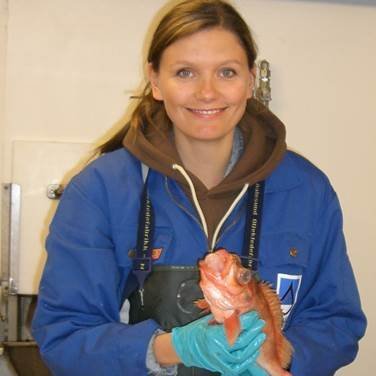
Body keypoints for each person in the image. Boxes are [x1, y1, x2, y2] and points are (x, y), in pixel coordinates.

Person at [31, 0, 367, 375]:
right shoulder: (100, 191)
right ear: (155, 81)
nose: (207, 93)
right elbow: (63, 337)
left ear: (251, 80)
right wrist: (172, 348)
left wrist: (279, 357)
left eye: (226, 72)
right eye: (186, 72)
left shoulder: (306, 191)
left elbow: (337, 322)